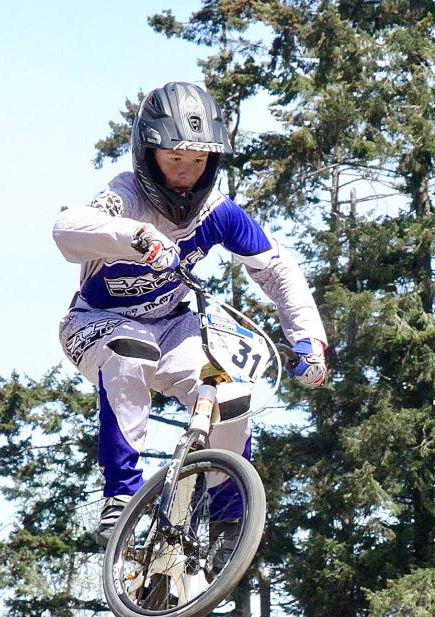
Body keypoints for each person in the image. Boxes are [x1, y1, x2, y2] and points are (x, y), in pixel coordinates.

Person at [53, 81, 327, 547]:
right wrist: (135, 237)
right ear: (148, 154)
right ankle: (120, 496)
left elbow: (278, 270)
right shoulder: (124, 198)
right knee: (130, 351)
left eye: (198, 161)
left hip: (173, 326)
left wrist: (308, 338)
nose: (186, 174)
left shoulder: (217, 213)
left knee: (232, 391)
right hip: (95, 325)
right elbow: (66, 232)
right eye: (175, 159)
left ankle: (225, 522)